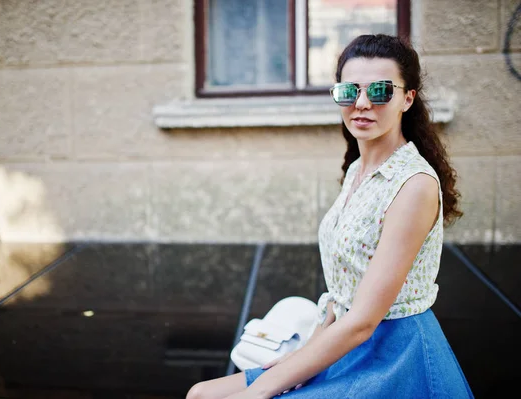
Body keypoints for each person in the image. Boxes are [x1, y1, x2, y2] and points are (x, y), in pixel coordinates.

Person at [186, 34, 474, 399]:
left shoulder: (413, 184)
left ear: (407, 98)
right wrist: (301, 357)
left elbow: (364, 320)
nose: (363, 104)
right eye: (349, 91)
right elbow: (343, 296)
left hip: (392, 356)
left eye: (381, 91)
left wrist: (261, 391)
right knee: (199, 393)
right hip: (341, 340)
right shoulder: (358, 169)